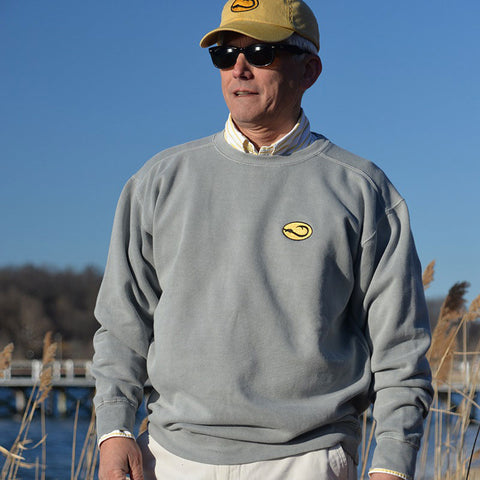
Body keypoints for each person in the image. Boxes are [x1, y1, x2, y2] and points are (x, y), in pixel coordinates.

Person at [92, 1, 433, 479]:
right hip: (170, 458)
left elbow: (401, 348)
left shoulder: (362, 190)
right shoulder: (160, 180)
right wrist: (114, 430)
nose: (239, 68)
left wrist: (392, 465)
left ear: (309, 69)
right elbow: (122, 324)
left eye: (260, 51)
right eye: (225, 54)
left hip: (309, 460)